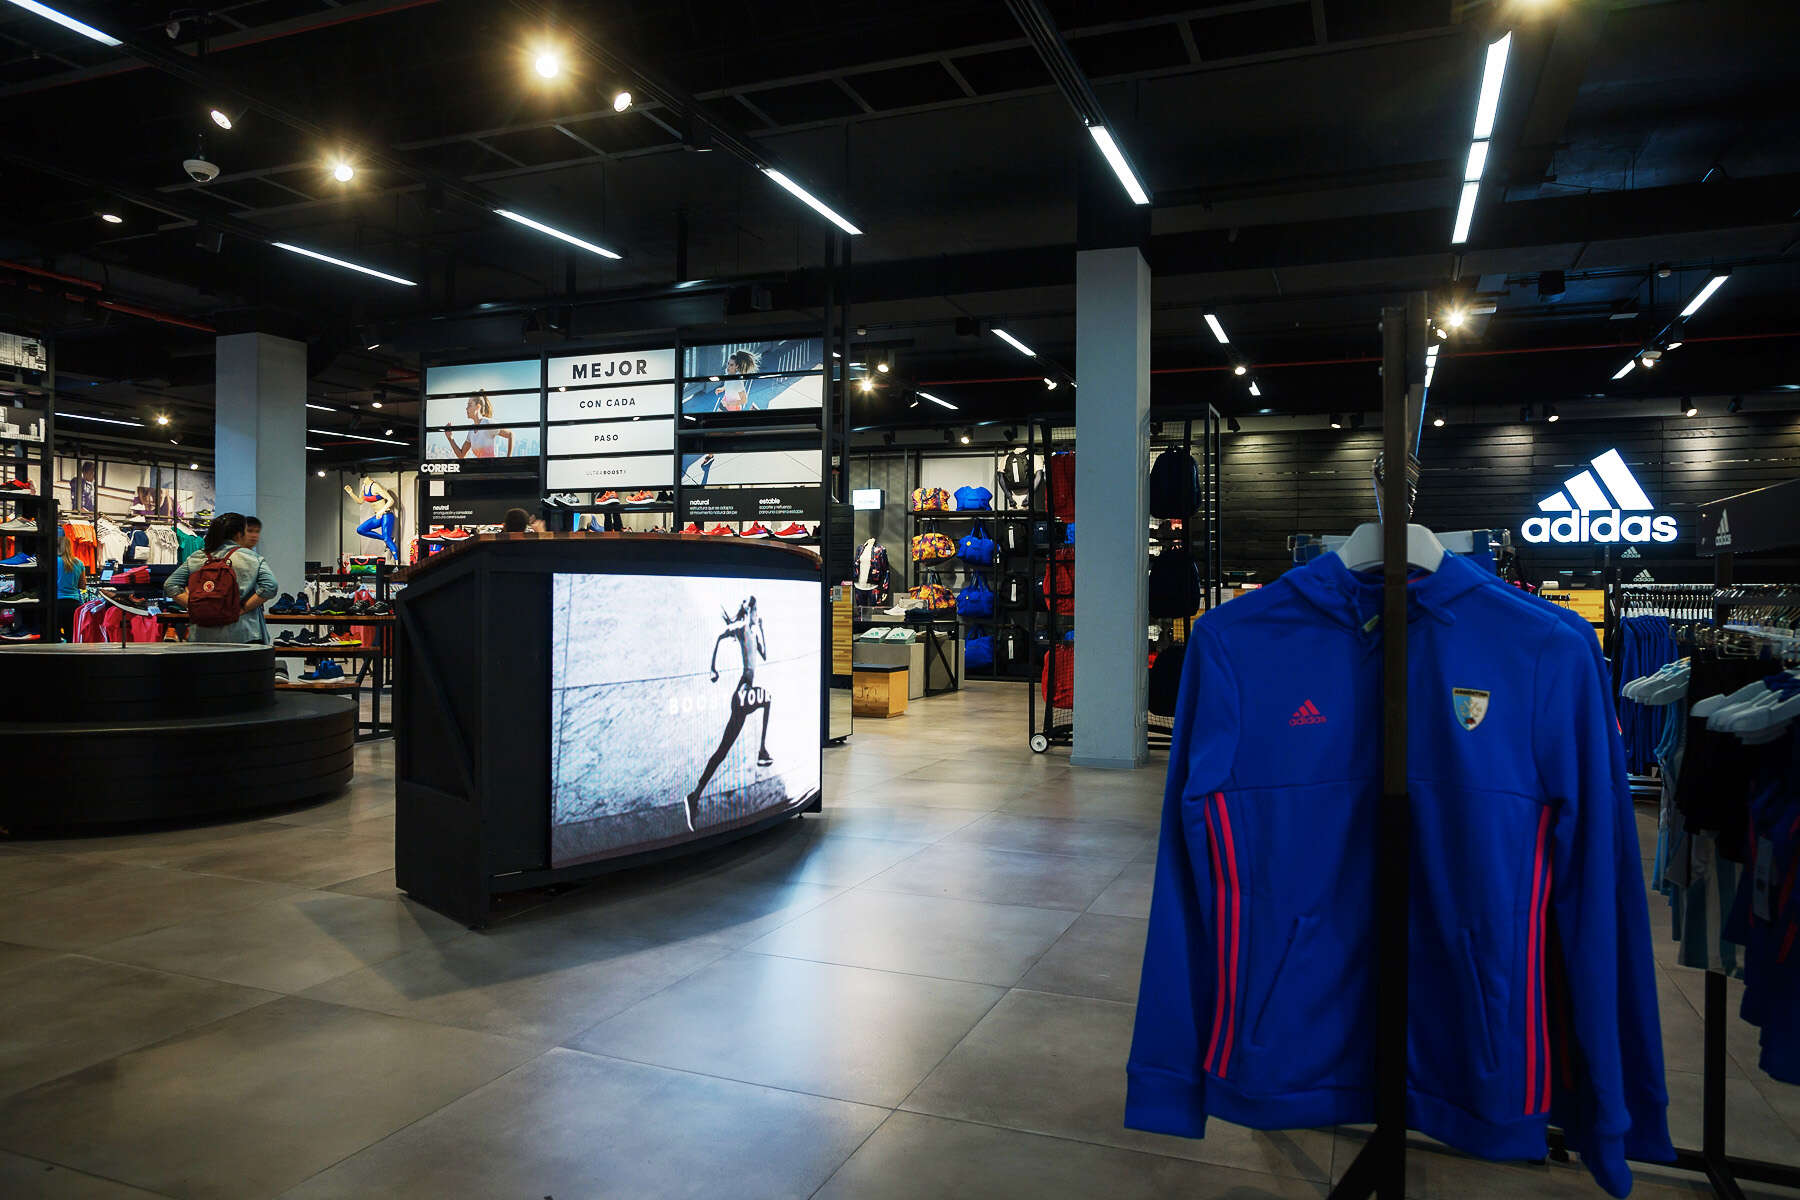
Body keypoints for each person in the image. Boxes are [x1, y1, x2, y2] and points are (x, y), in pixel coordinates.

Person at [685, 595, 774, 831]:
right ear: (750, 612)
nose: (757, 615)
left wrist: (762, 629)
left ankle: (694, 796)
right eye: (755, 612)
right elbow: (720, 636)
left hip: (744, 693)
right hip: (743, 690)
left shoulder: (752, 632)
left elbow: (765, 654)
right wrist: (712, 668)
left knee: (722, 751)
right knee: (767, 700)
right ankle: (762, 751)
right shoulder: (742, 627)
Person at [164, 513, 278, 644]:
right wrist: (243, 608)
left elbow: (170, 585)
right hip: (243, 631)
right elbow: (270, 586)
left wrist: (197, 606)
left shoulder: (197, 557)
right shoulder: (252, 558)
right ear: (238, 534)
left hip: (202, 633)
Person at [443, 392, 515, 459]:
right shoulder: (471, 430)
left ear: (478, 407)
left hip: (492, 467)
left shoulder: (487, 423)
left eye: (469, 405)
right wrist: (450, 438)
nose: (466, 408)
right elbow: (461, 455)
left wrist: (508, 460)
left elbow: (510, 435)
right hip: (481, 467)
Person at [345, 477, 400, 561]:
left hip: (386, 515)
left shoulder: (375, 486)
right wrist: (351, 493)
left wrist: (381, 511)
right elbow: (360, 501)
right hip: (378, 516)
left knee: (387, 539)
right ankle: (387, 538)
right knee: (360, 529)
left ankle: (397, 563)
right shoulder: (364, 486)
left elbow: (391, 500)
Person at [54, 532, 84, 642]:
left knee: (54, 636)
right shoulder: (79, 563)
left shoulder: (54, 562)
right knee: (71, 636)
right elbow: (82, 585)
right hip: (74, 603)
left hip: (56, 602)